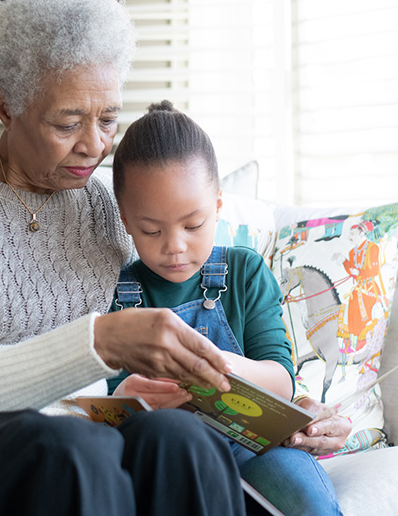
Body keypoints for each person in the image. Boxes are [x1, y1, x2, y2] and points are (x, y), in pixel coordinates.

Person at [0, 0, 349, 516]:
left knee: (180, 440)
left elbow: (125, 377)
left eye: (108, 119)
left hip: (84, 426)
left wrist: (288, 411)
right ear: (5, 106)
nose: (94, 145)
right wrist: (100, 343)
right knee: (75, 447)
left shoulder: (108, 208)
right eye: (68, 122)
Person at [108, 100, 343, 516]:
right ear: (126, 219)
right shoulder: (115, 290)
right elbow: (104, 397)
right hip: (164, 454)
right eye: (151, 229)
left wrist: (214, 367)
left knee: (308, 504)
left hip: (254, 447)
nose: (175, 245)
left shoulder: (244, 271)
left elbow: (281, 380)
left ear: (218, 205)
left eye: (193, 225)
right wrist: (125, 394)